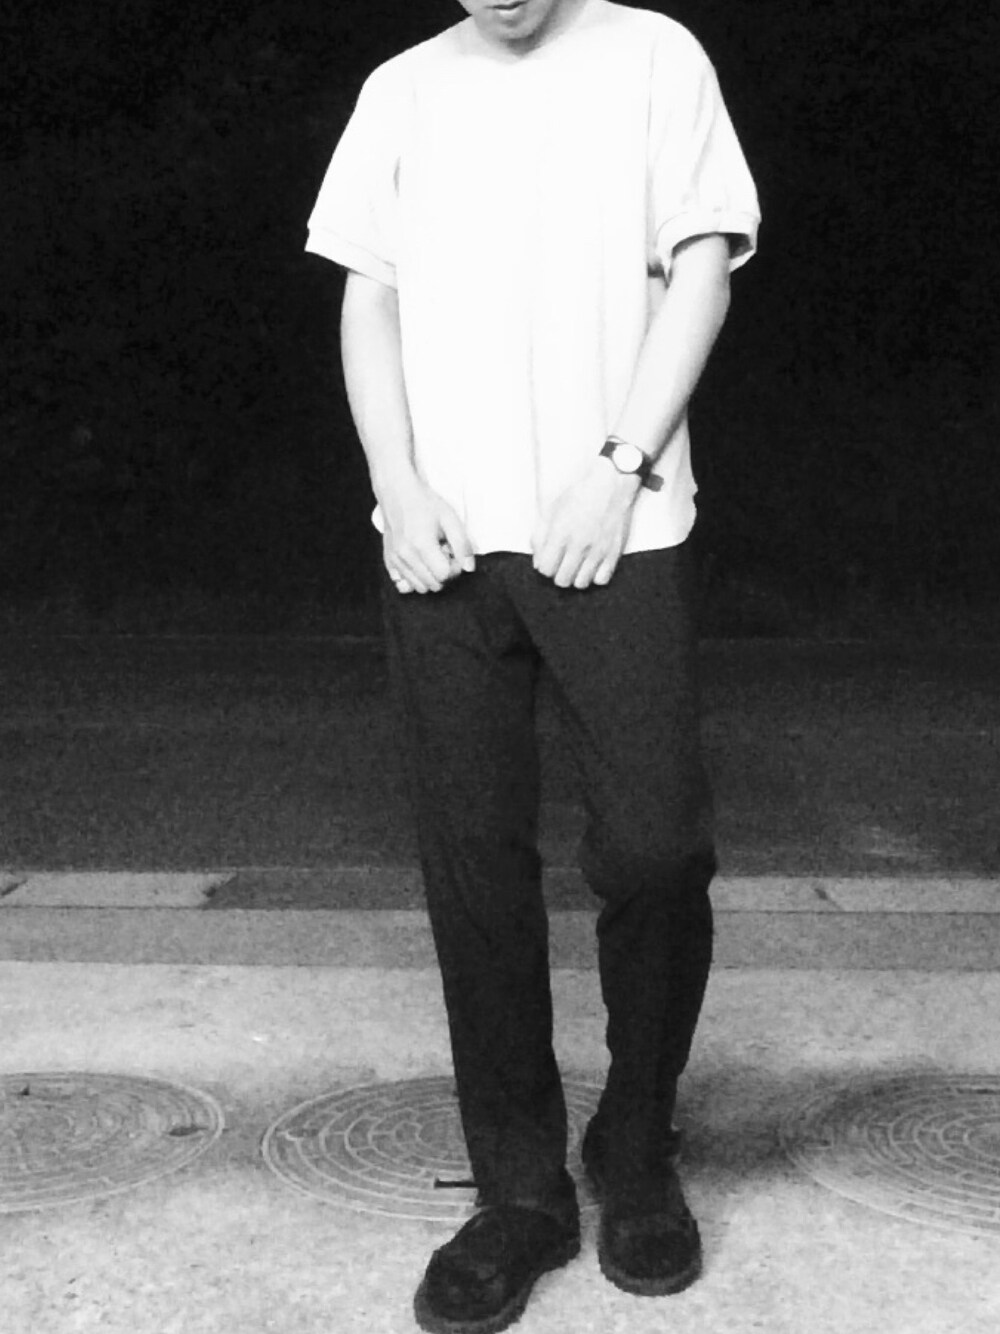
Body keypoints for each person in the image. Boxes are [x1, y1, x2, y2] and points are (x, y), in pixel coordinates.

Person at [305, 1, 759, 1329]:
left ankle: (637, 1141)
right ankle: (518, 1190)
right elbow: (370, 297)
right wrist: (396, 488)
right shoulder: (400, 88)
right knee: (474, 864)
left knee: (658, 848)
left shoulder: (656, 55)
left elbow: (704, 268)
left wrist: (619, 470)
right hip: (445, 540)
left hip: (615, 523)